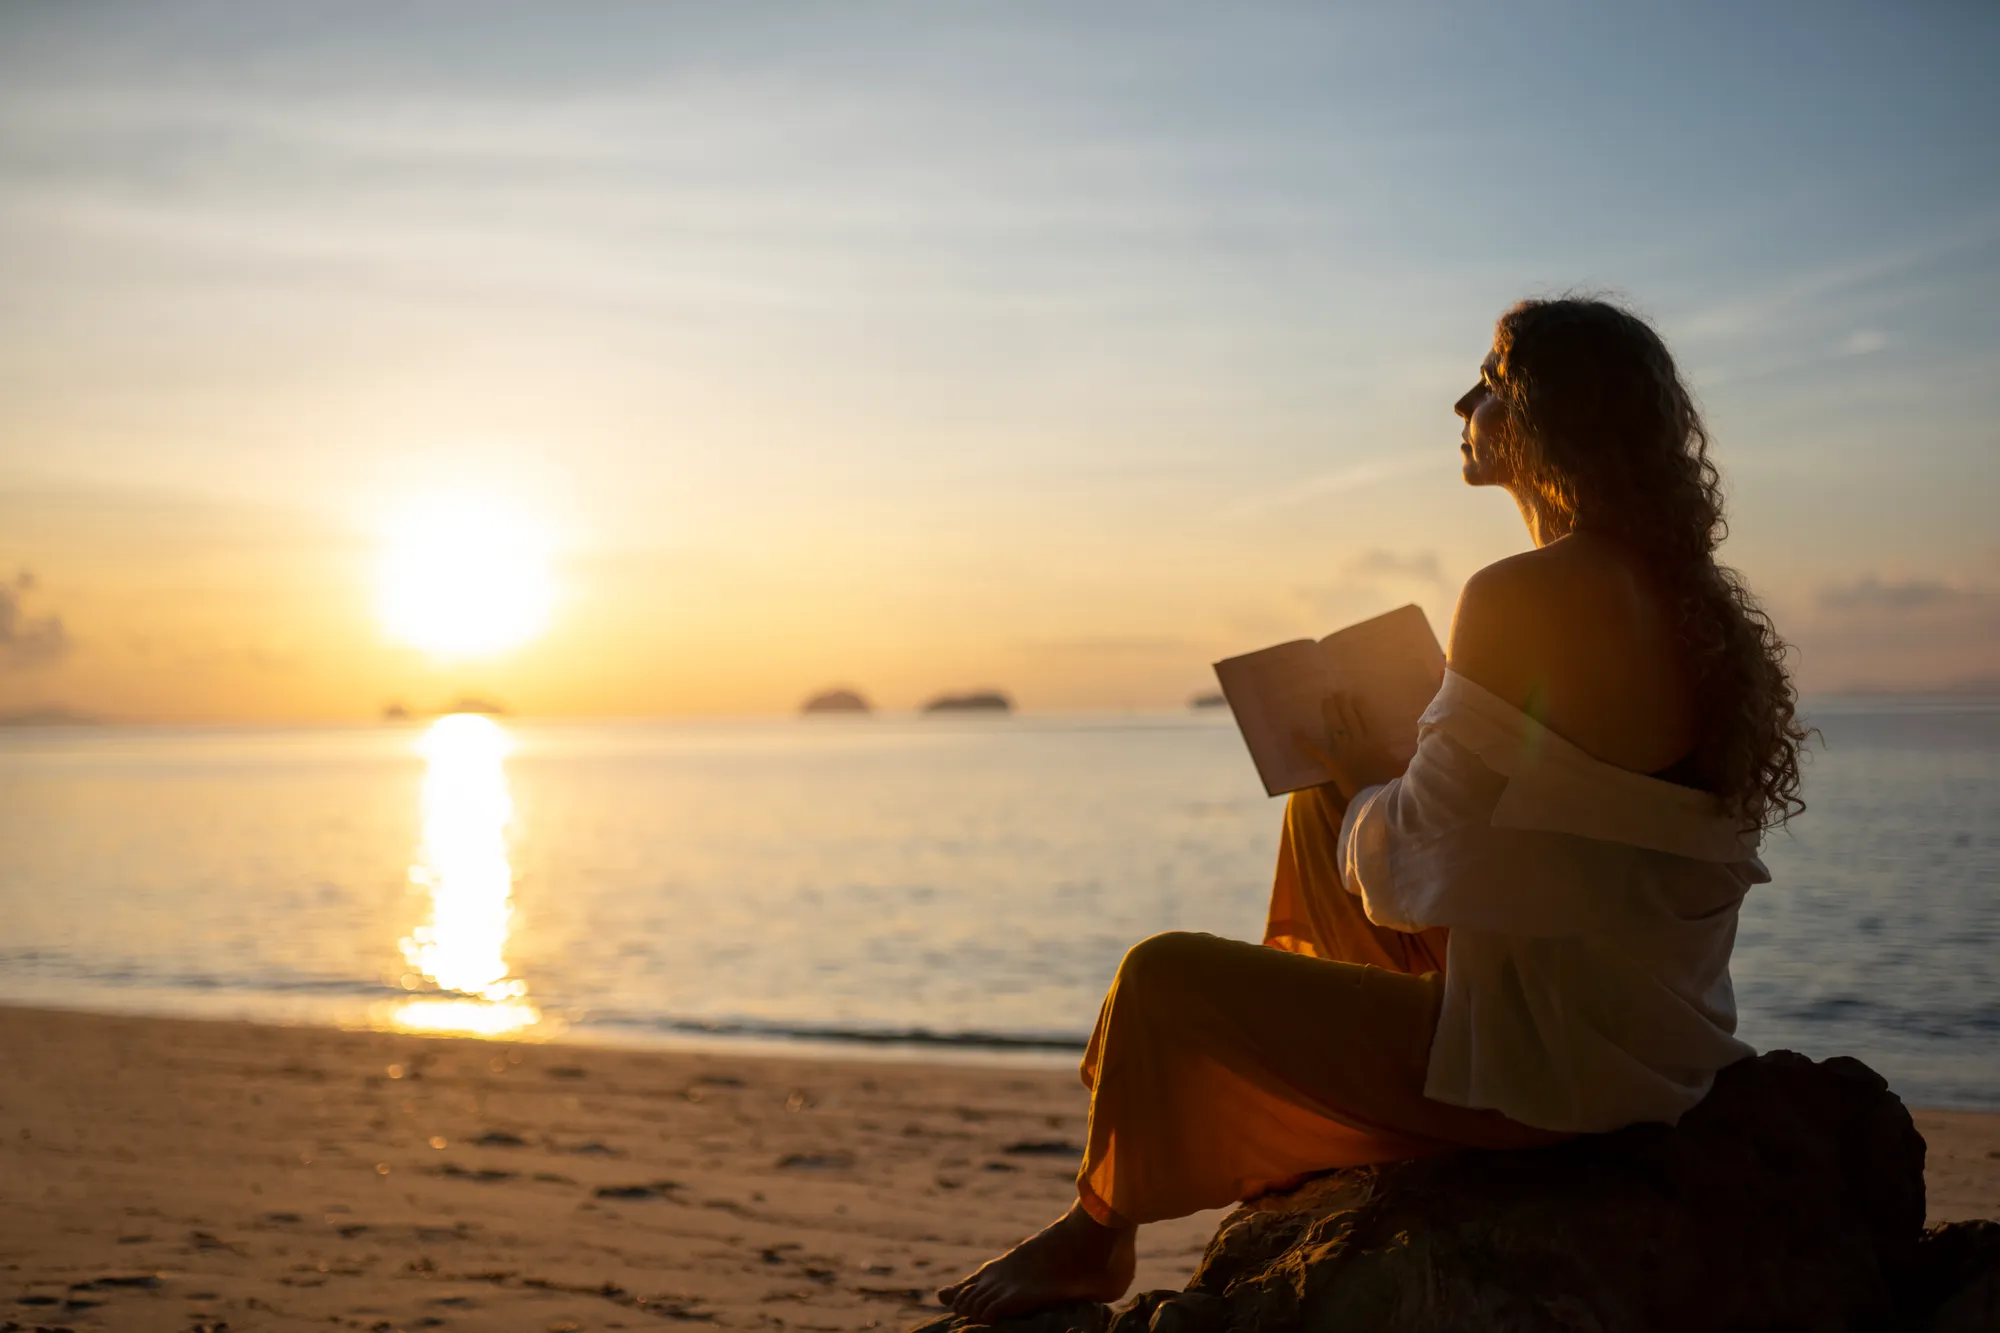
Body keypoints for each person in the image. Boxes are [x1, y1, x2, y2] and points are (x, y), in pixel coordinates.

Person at [938, 296, 1812, 1323]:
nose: (1462, 399)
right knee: (1319, 810)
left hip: (1546, 1078)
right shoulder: (1695, 602)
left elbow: (1403, 869)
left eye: (1489, 379)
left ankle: (1098, 1233)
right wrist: (1364, 785)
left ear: (1541, 416)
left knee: (1157, 975)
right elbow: (1567, 840)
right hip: (1656, 1045)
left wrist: (1370, 776)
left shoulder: (1520, 593)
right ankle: (1338, 1059)